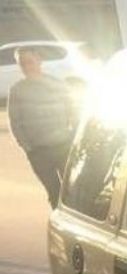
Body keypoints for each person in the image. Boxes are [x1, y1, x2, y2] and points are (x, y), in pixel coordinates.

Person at [7, 47, 76, 207]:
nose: (27, 67)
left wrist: (72, 136)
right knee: (54, 193)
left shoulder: (57, 84)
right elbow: (15, 123)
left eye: (29, 62)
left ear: (39, 61)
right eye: (22, 64)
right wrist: (29, 148)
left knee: (72, 192)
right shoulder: (17, 91)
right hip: (39, 153)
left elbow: (73, 111)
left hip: (63, 147)